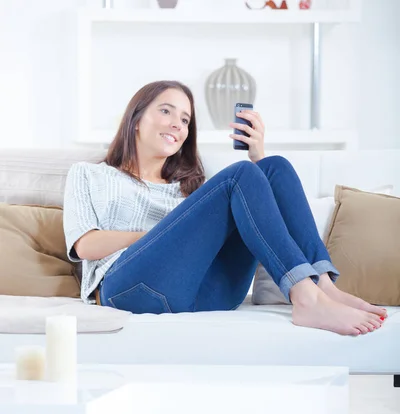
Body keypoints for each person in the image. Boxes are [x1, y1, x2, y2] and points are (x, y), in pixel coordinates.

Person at [63, 80, 387, 336]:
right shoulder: (91, 174)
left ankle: (323, 287)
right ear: (136, 119)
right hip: (130, 289)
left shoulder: (188, 188)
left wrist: (258, 155)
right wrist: (157, 237)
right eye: (166, 111)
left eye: (185, 119)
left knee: (273, 167)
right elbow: (85, 245)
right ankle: (305, 297)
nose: (177, 123)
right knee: (240, 175)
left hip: (207, 293)